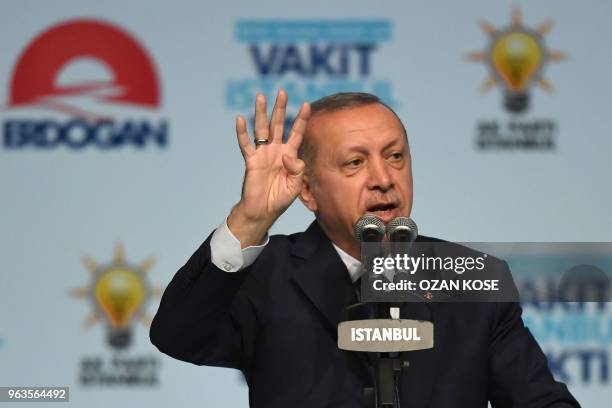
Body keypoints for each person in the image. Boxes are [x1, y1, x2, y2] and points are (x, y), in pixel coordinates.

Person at [150, 91, 579, 407]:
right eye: (355, 163)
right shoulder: (266, 274)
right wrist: (249, 221)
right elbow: (178, 336)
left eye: (395, 157)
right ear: (308, 191)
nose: (383, 178)